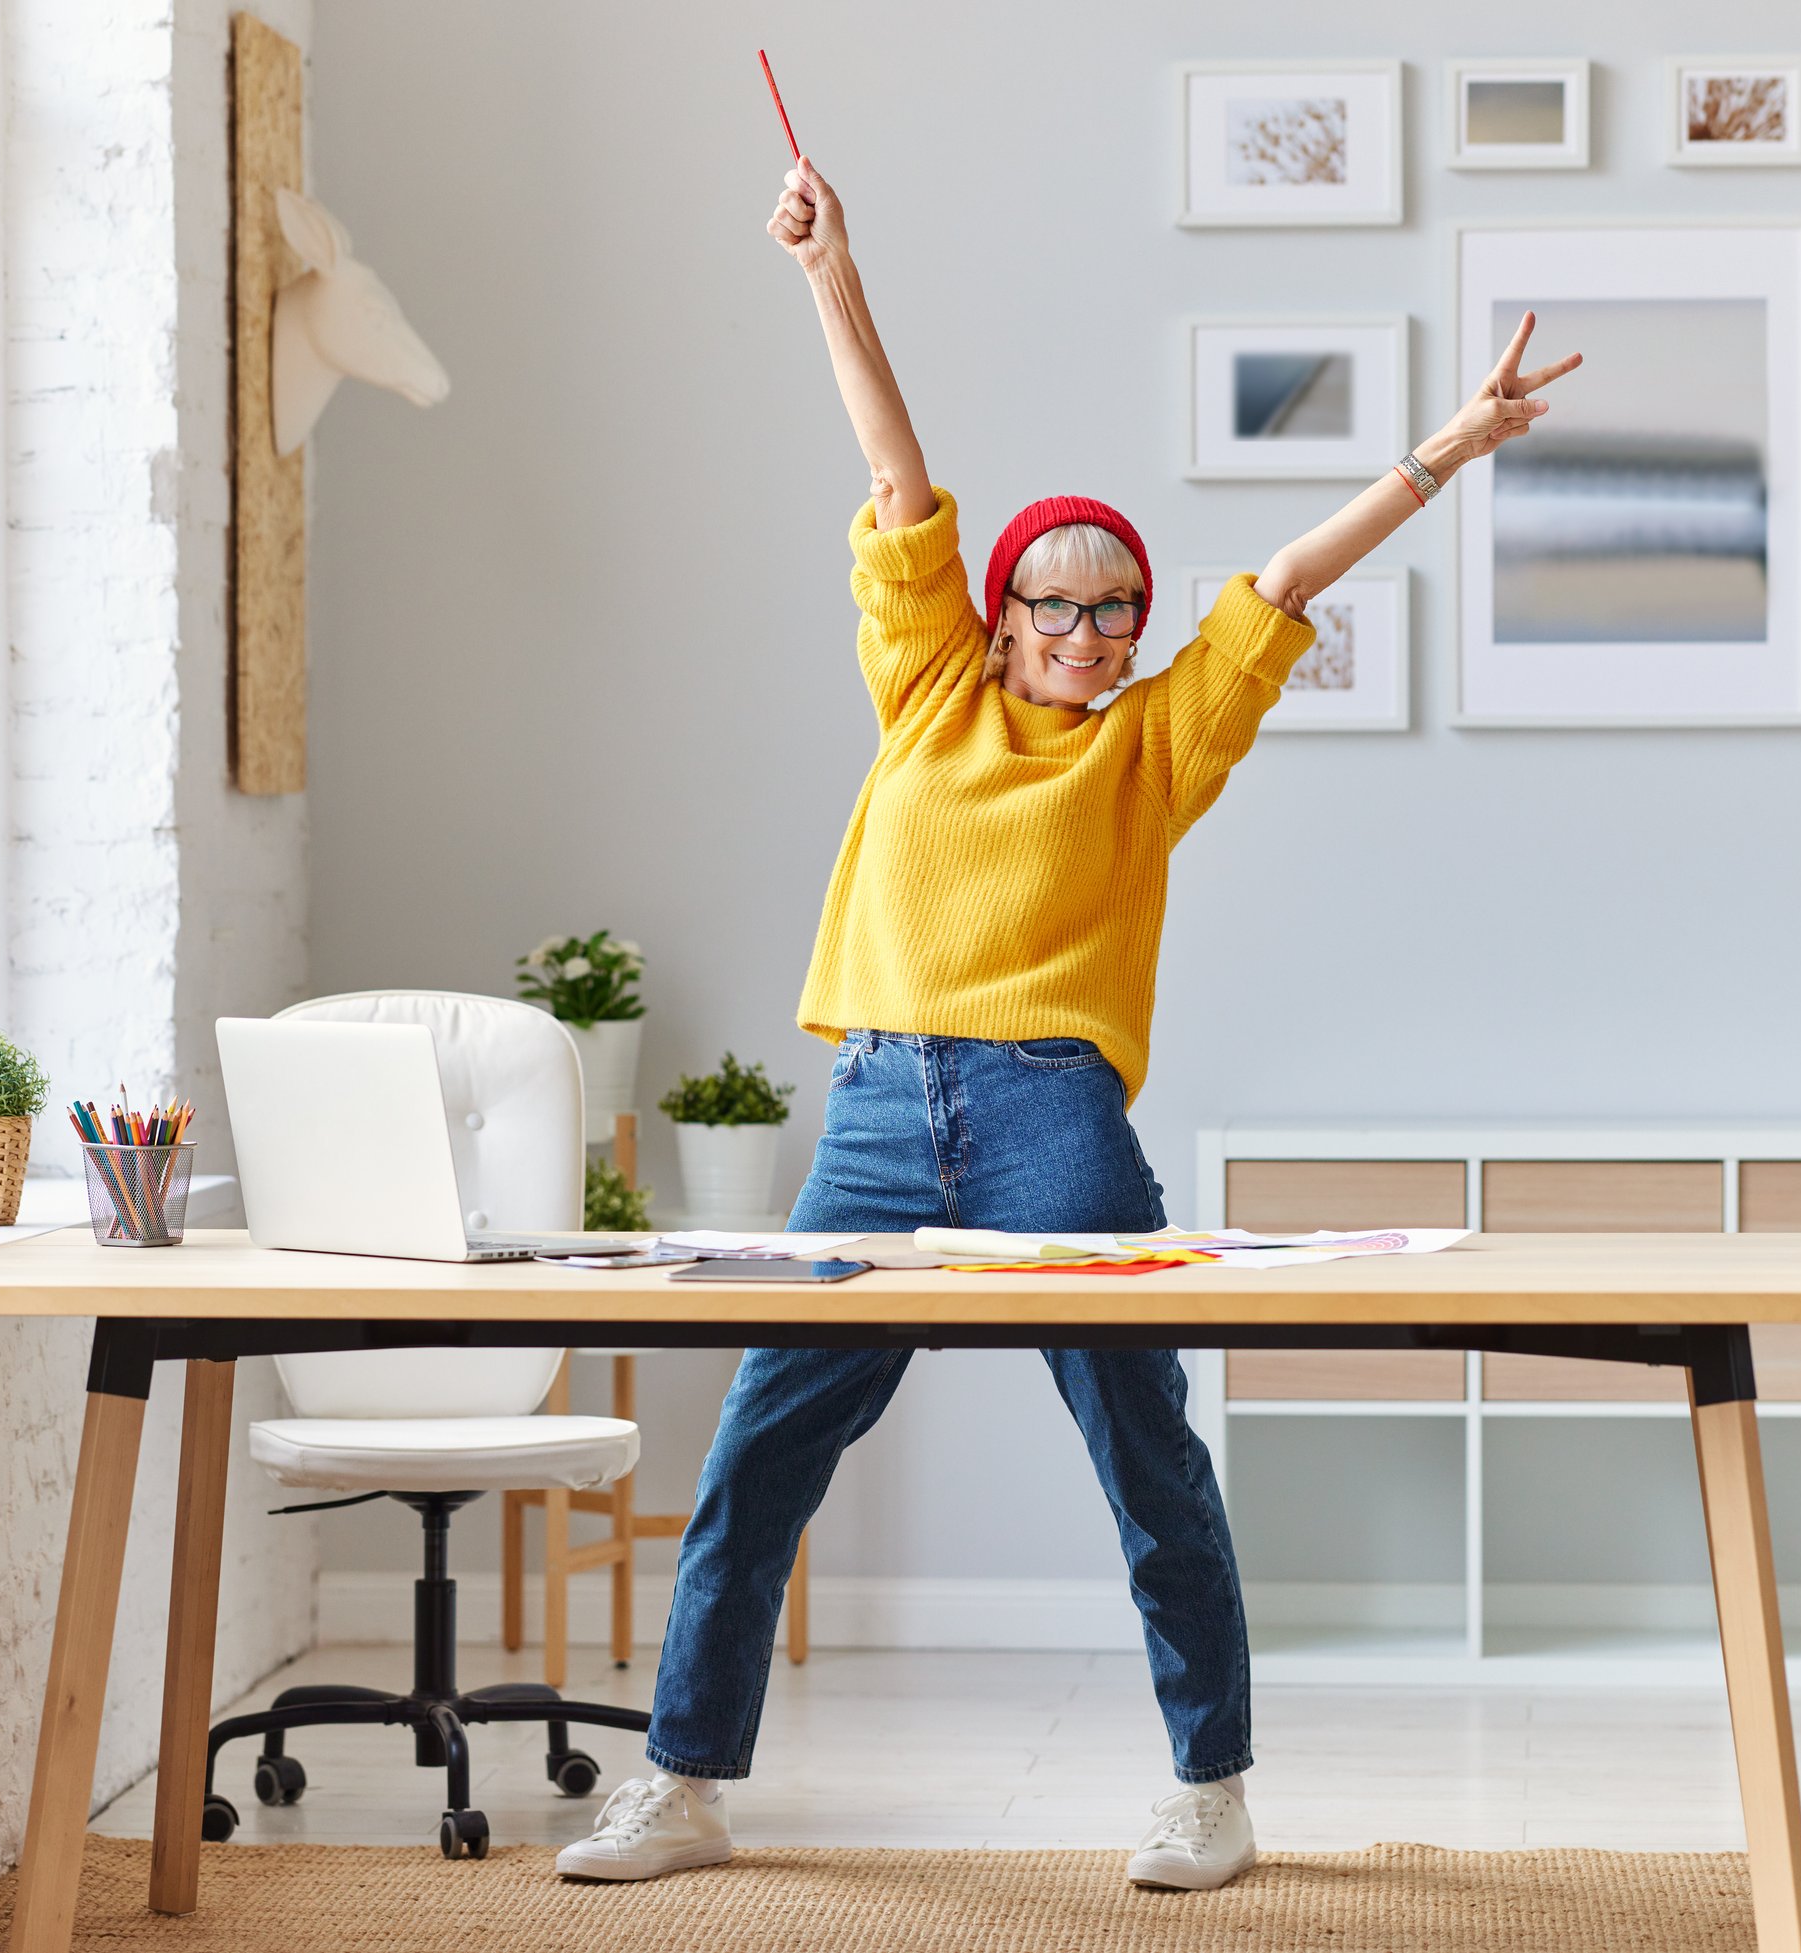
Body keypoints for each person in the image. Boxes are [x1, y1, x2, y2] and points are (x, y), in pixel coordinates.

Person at [558, 154, 1579, 1890]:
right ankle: (686, 1777)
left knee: (1140, 1441)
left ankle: (1211, 1785)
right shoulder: (929, 687)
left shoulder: (1153, 746)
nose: (1096, 632)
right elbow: (893, 464)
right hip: (880, 1105)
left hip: (1052, 1119)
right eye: (1064, 603)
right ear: (1000, 612)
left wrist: (1446, 450)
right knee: (763, 1443)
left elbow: (1285, 581)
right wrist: (834, 269)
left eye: (1121, 608)